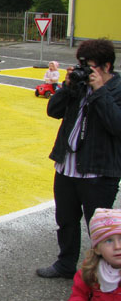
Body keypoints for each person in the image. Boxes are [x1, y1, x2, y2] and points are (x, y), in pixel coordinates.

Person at [37, 39, 121, 279]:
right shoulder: (78, 86)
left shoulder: (117, 89)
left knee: (100, 228)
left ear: (106, 66)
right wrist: (67, 86)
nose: (84, 71)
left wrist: (100, 92)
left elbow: (117, 125)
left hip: (99, 171)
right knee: (66, 221)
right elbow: (53, 111)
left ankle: (105, 274)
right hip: (67, 167)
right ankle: (65, 264)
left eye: (89, 66)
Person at [68, 208, 121, 301]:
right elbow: (79, 293)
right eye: (109, 241)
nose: (117, 246)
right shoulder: (92, 271)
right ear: (97, 248)